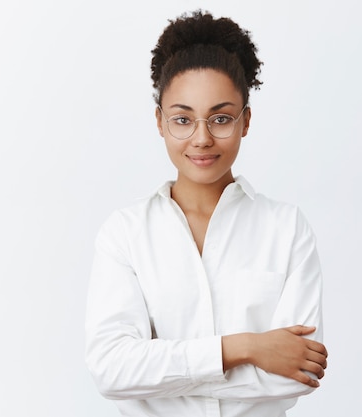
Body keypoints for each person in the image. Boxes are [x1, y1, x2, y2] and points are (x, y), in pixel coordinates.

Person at [85, 10, 328, 417]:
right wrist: (245, 347)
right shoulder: (124, 234)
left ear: (245, 120)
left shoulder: (286, 229)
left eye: (220, 118)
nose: (201, 138)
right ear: (160, 122)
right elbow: (111, 370)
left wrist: (159, 377)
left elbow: (294, 376)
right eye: (182, 119)